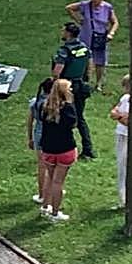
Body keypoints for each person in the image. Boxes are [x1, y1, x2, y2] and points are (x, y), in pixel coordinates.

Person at [52, 21, 95, 159]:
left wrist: (55, 84)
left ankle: (66, 147)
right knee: (80, 118)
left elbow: (57, 71)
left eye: (63, 31)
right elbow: (90, 67)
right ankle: (88, 148)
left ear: (68, 33)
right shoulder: (84, 48)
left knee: (66, 117)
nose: (62, 33)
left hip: (66, 87)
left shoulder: (64, 51)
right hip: (80, 85)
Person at [38, 79, 78, 221]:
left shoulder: (44, 107)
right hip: (65, 149)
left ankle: (45, 206)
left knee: (50, 177)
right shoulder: (68, 108)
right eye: (69, 88)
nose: (71, 90)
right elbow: (73, 124)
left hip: (48, 149)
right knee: (58, 182)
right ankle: (55, 213)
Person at [66, 0, 119, 93]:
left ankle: (98, 83)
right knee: (84, 58)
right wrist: (78, 20)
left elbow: (115, 22)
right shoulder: (85, 5)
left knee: (100, 61)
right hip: (86, 36)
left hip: (100, 36)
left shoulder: (107, 8)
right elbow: (69, 8)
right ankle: (84, 80)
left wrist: (111, 33)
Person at [27, 77, 54, 205]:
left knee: (42, 166)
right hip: (51, 134)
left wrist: (30, 138)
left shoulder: (34, 102)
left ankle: (41, 194)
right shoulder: (53, 103)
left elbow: (30, 122)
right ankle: (53, 191)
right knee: (53, 166)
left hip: (38, 133)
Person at [109, 74, 131, 209]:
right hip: (121, 133)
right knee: (121, 166)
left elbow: (130, 122)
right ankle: (122, 199)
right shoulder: (125, 98)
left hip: (129, 136)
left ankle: (128, 198)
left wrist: (119, 117)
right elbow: (113, 111)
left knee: (127, 165)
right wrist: (119, 116)